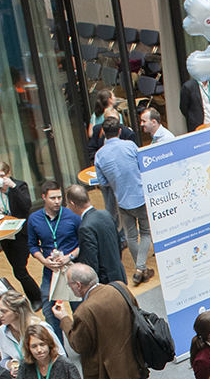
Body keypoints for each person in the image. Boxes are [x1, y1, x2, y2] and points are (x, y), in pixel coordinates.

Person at [92, 120, 152, 283]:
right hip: (140, 196)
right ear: (119, 131)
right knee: (146, 233)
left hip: (122, 200)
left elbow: (103, 182)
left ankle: (142, 271)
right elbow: (143, 166)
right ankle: (140, 268)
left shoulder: (99, 154)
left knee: (131, 236)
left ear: (104, 133)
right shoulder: (130, 146)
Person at [0, 161, 42, 304]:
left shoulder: (20, 186)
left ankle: (37, 297)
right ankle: (33, 296)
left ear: (8, 174)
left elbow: (26, 205)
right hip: (5, 234)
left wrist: (14, 188)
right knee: (16, 269)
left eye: (1, 175)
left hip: (20, 233)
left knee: (20, 270)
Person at [26, 180, 80, 317]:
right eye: (53, 198)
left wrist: (69, 256)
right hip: (51, 270)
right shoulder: (34, 219)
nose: (57, 201)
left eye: (59, 197)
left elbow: (83, 242)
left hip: (72, 268)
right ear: (43, 197)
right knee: (49, 312)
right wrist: (44, 261)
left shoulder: (72, 215)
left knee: (80, 311)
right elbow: (32, 246)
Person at [65, 183, 125, 287]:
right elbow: (118, 243)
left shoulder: (85, 227)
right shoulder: (106, 214)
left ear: (72, 204)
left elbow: (91, 262)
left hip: (104, 283)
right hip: (119, 275)